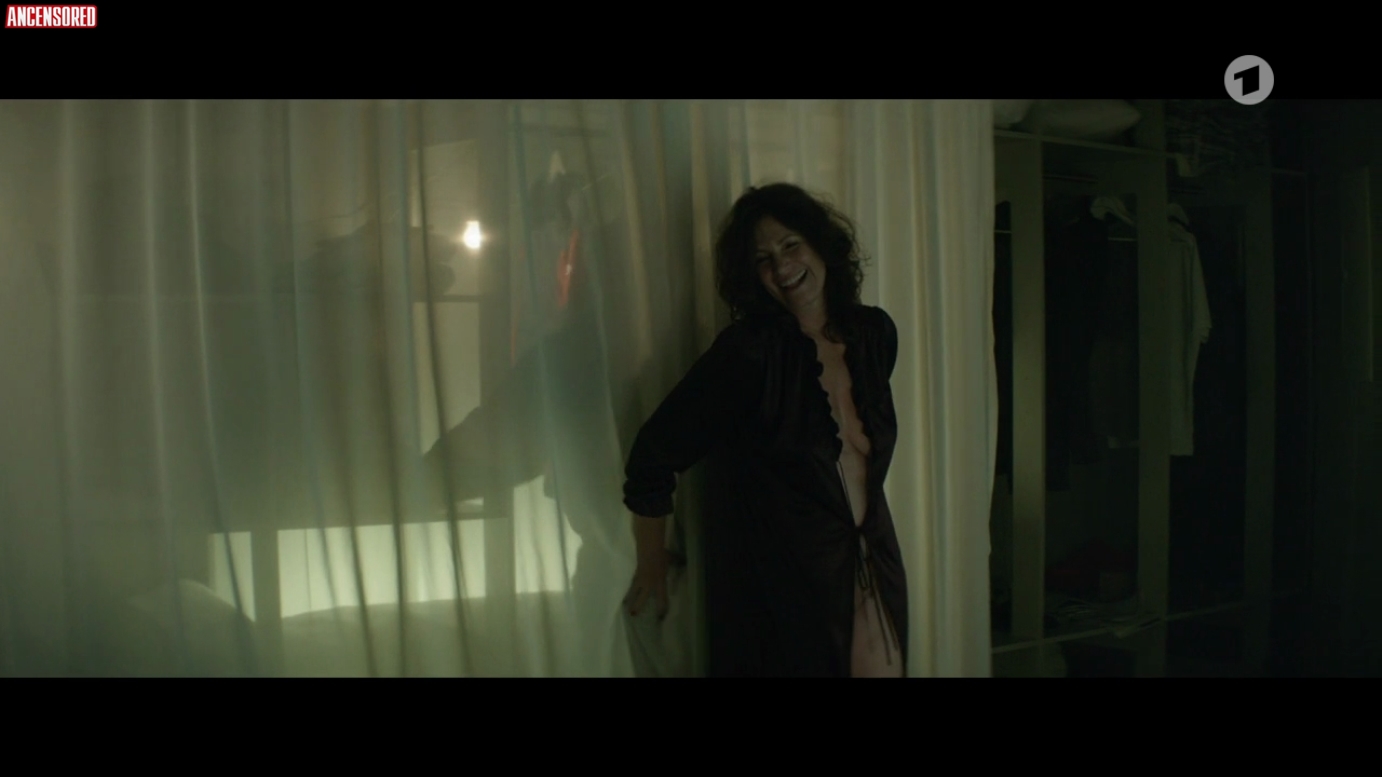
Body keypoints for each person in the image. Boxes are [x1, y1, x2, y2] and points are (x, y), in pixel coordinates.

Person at [621, 183, 908, 677]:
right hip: (789, 585)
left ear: (821, 244)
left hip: (876, 560)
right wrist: (651, 560)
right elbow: (653, 454)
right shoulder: (749, 354)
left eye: (791, 245)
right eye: (763, 260)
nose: (782, 266)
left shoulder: (874, 335)